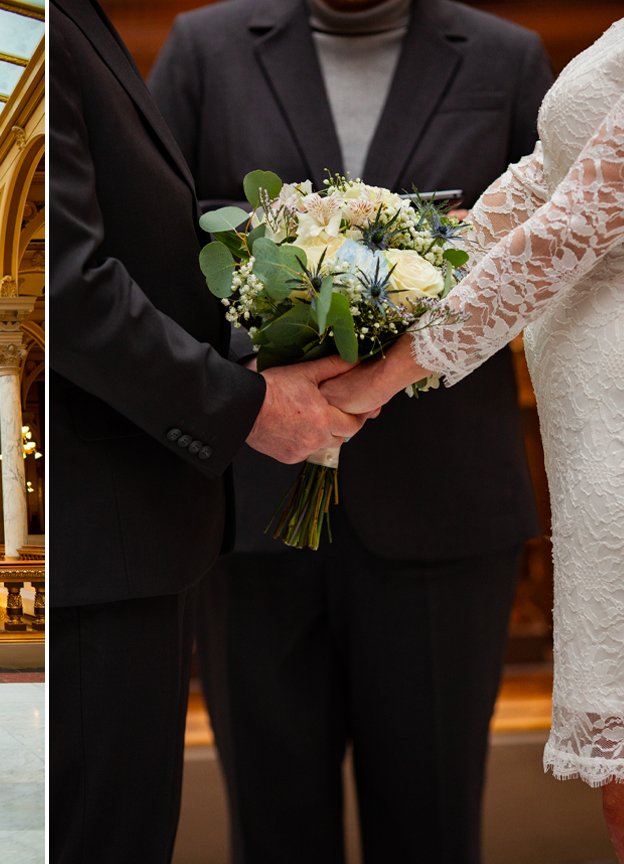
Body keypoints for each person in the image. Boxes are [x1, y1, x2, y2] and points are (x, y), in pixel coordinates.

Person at [147, 1, 552, 860]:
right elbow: (150, 232)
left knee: (434, 821)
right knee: (274, 820)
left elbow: (550, 250)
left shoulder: (505, 56)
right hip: (252, 508)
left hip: (445, 502)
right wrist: (281, 284)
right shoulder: (205, 47)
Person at [49, 0, 369, 859]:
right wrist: (245, 406)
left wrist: (333, 241)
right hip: (99, 548)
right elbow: (66, 285)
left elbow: (141, 229)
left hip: (127, 539)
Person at [317, 17, 624, 858]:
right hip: (593, 418)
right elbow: (541, 175)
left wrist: (386, 375)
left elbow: (575, 225)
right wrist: (397, 277)